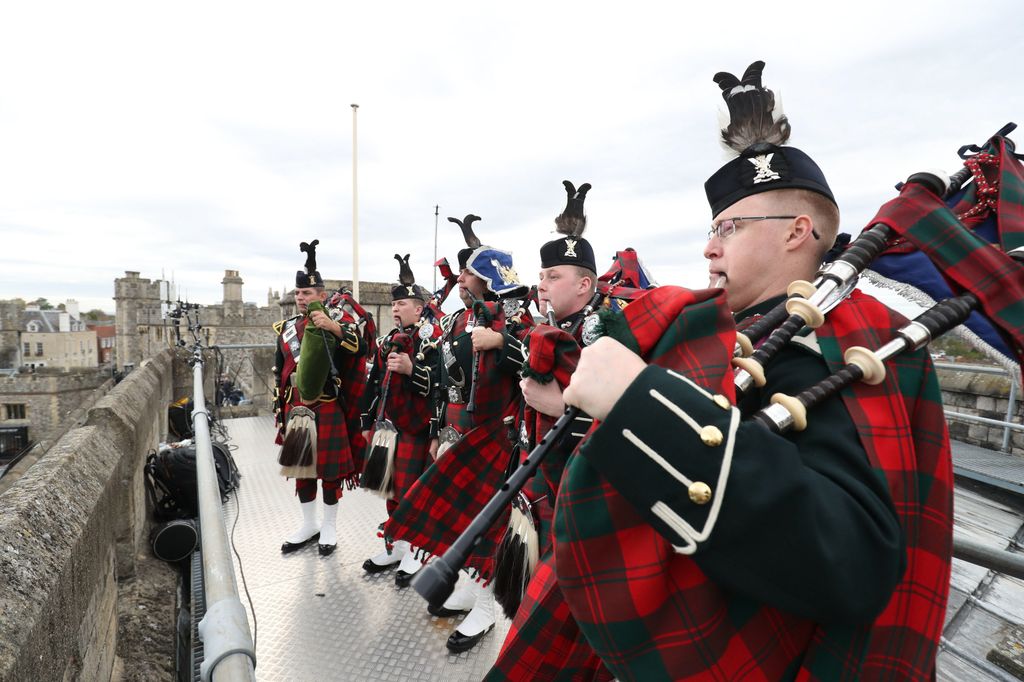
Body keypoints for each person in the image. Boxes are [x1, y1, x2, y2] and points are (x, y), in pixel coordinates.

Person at [495, 61, 954, 681]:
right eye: (711, 229)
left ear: (797, 232)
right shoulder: (745, 330)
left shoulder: (838, 345)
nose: (710, 247)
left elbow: (852, 563)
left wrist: (636, 403)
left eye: (728, 228)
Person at [384, 214, 533, 653]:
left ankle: (487, 609)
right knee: (462, 520)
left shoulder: (518, 321)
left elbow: (538, 364)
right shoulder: (454, 322)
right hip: (456, 432)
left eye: (468, 271)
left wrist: (503, 345)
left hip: (497, 437)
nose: (461, 276)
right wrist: (437, 430)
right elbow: (443, 379)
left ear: (486, 278)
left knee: (488, 526)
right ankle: (469, 588)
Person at [273, 239, 367, 557]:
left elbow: (362, 347)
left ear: (321, 296)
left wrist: (334, 328)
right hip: (296, 408)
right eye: (298, 293)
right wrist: (279, 409)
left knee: (329, 472)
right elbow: (279, 370)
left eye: (307, 293)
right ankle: (309, 523)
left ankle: (329, 526)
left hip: (327, 406)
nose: (301, 298)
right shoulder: (285, 328)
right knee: (302, 471)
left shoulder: (338, 323)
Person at [360, 254, 441, 586]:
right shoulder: (386, 341)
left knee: (412, 492)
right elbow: (373, 383)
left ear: (419, 308)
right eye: (393, 305)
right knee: (393, 489)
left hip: (417, 426)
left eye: (402, 304)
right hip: (388, 426)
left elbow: (440, 384)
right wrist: (366, 422)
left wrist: (412, 370)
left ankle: (416, 549)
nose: (395, 309)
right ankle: (396, 544)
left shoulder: (434, 340)